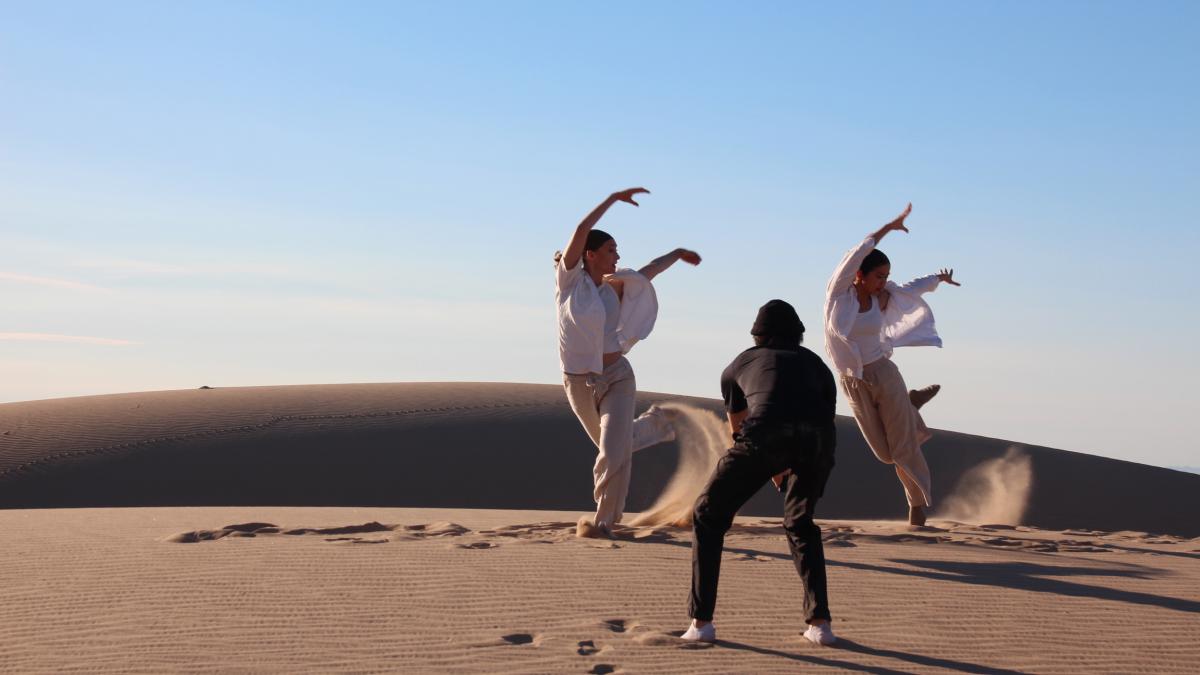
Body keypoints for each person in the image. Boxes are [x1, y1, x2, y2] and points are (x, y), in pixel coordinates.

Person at [681, 299, 838, 646]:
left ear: (757, 335)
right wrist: (788, 465)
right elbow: (822, 419)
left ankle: (701, 622)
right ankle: (820, 625)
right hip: (819, 440)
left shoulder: (740, 362)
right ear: (798, 335)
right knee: (800, 523)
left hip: (767, 434)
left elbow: (739, 426)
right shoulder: (817, 365)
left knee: (708, 515)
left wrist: (771, 466)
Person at [555, 187, 702, 538]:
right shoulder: (569, 281)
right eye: (610, 250)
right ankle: (656, 424)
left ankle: (604, 522)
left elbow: (649, 271)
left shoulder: (615, 286)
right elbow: (580, 229)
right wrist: (612, 199)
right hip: (579, 381)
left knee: (611, 451)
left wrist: (677, 253)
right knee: (616, 444)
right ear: (589, 254)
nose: (616, 255)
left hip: (617, 376)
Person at [823, 203, 961, 526]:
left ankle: (917, 508)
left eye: (887, 276)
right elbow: (859, 250)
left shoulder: (884, 297)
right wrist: (890, 226)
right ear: (859, 274)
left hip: (883, 373)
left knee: (902, 447)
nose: (883, 282)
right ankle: (911, 404)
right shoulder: (838, 296)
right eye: (878, 276)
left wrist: (937, 279)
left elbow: (912, 290)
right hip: (853, 380)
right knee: (884, 454)